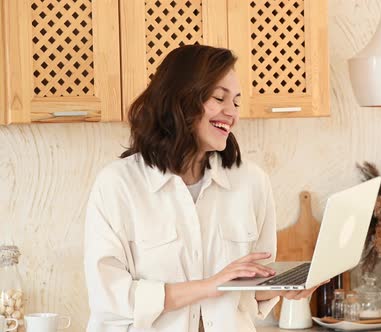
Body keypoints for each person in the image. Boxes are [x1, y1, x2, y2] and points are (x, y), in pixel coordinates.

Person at [84, 44, 319, 332]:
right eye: (219, 98)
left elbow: (249, 292)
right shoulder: (118, 185)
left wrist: (282, 287)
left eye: (236, 102)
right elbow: (110, 298)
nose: (231, 113)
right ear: (180, 101)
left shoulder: (252, 183)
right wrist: (209, 286)